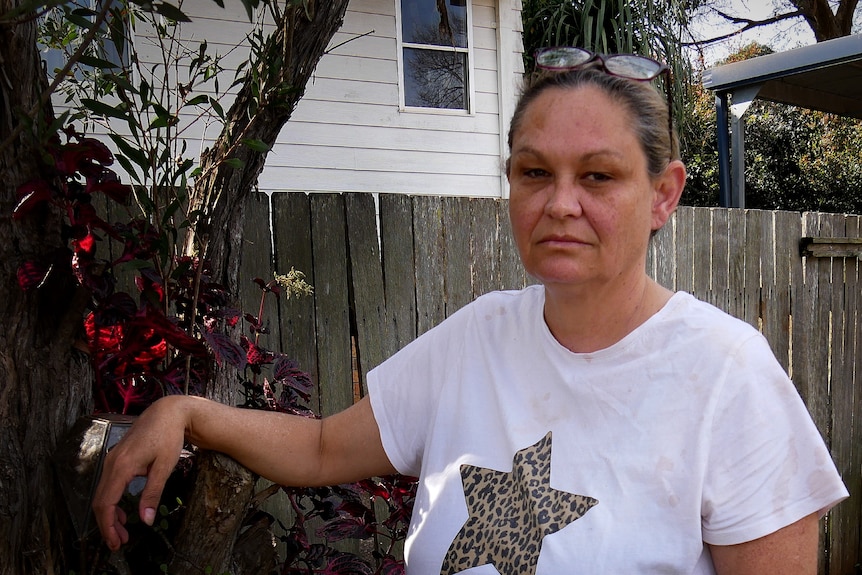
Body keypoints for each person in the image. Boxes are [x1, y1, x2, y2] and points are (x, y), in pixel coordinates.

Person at [93, 47, 848, 574]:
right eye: (534, 171)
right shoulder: (476, 338)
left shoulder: (727, 372)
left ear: (664, 193)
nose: (560, 202)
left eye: (598, 175)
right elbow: (322, 447)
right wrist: (188, 412)